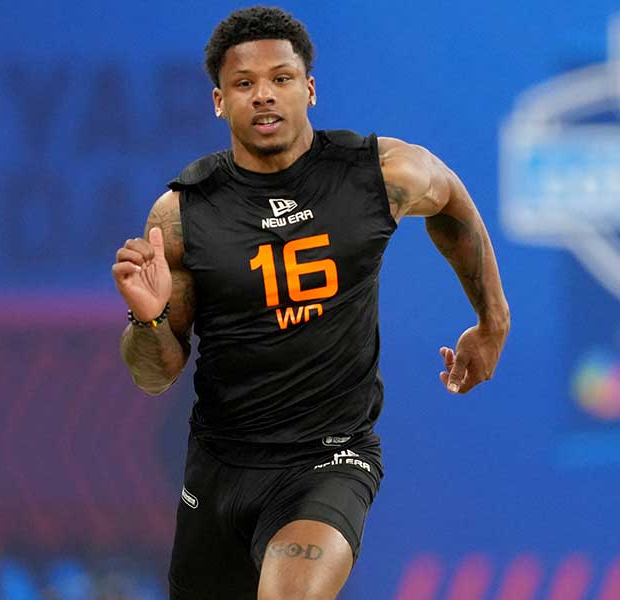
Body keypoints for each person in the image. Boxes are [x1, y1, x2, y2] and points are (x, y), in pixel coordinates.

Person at [112, 6, 510, 599]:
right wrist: (148, 318)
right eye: (244, 84)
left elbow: (450, 201)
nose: (264, 96)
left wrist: (492, 321)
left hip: (330, 459)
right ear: (219, 101)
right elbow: (154, 374)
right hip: (220, 468)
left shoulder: (382, 173)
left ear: (310, 89)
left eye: (281, 79)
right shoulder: (181, 216)